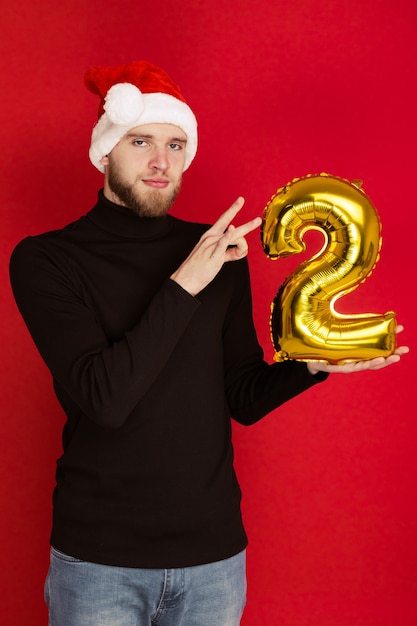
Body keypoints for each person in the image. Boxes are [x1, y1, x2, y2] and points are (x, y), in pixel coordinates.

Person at [9, 61, 408, 626]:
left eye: (176, 144)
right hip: (100, 560)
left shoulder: (213, 250)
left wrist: (312, 365)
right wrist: (185, 282)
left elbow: (240, 396)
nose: (160, 162)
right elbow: (105, 397)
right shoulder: (47, 259)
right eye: (141, 141)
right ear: (105, 151)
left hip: (213, 560)